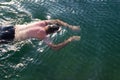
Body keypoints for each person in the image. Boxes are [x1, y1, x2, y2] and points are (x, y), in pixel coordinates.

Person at [0, 19, 80, 50]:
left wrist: (71, 27)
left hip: (10, 28)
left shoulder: (41, 23)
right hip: (11, 37)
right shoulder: (43, 35)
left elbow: (56, 20)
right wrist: (70, 40)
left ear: (48, 25)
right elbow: (55, 48)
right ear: (52, 32)